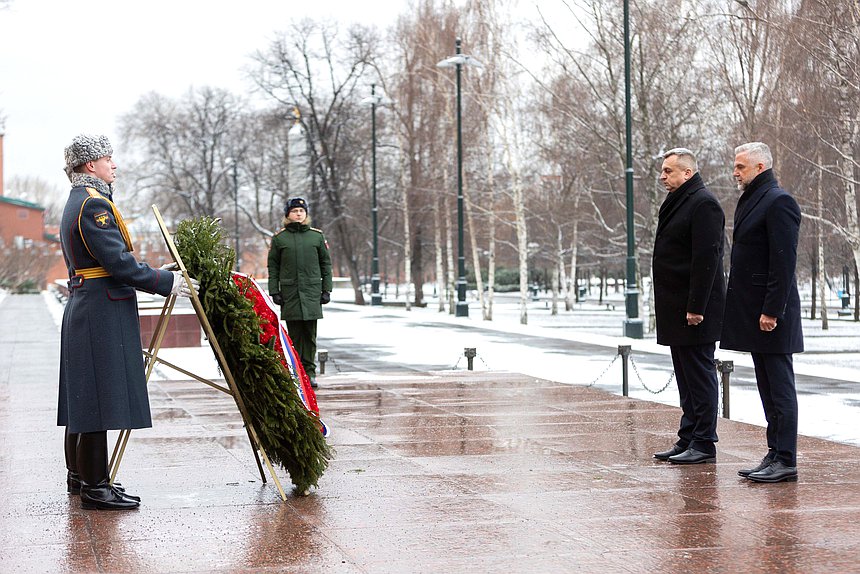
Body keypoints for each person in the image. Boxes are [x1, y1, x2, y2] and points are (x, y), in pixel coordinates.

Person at [58, 134, 198, 510]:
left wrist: (156, 272)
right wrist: (166, 283)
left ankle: (83, 477)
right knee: (96, 400)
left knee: (84, 399)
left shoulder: (83, 200)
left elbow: (109, 260)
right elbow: (117, 263)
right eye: (107, 158)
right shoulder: (93, 205)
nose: (113, 164)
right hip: (100, 310)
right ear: (91, 166)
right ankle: (95, 487)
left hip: (92, 305)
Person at [721, 142, 803, 483]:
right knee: (767, 387)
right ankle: (774, 452)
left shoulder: (778, 201)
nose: (735, 172)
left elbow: (783, 262)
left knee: (779, 387)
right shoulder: (754, 198)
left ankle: (786, 458)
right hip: (756, 313)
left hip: (772, 314)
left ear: (759, 167)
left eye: (740, 167)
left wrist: (772, 310)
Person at [652, 148, 726, 465]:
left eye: (668, 171)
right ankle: (688, 436)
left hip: (694, 310)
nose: (662, 176)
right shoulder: (681, 200)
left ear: (687, 173)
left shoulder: (703, 203)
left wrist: (696, 306)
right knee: (685, 376)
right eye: (663, 170)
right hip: (676, 308)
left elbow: (707, 258)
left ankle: (704, 442)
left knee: (699, 375)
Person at [267, 197, 332, 389]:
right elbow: (273, 266)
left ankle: (310, 374)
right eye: (295, 211)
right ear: (288, 214)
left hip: (312, 292)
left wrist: (326, 289)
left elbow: (326, 264)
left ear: (306, 214)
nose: (298, 214)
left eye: (302, 211)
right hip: (290, 293)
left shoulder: (316, 237)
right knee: (293, 337)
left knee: (310, 336)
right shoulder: (280, 239)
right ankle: (296, 374)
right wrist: (274, 291)